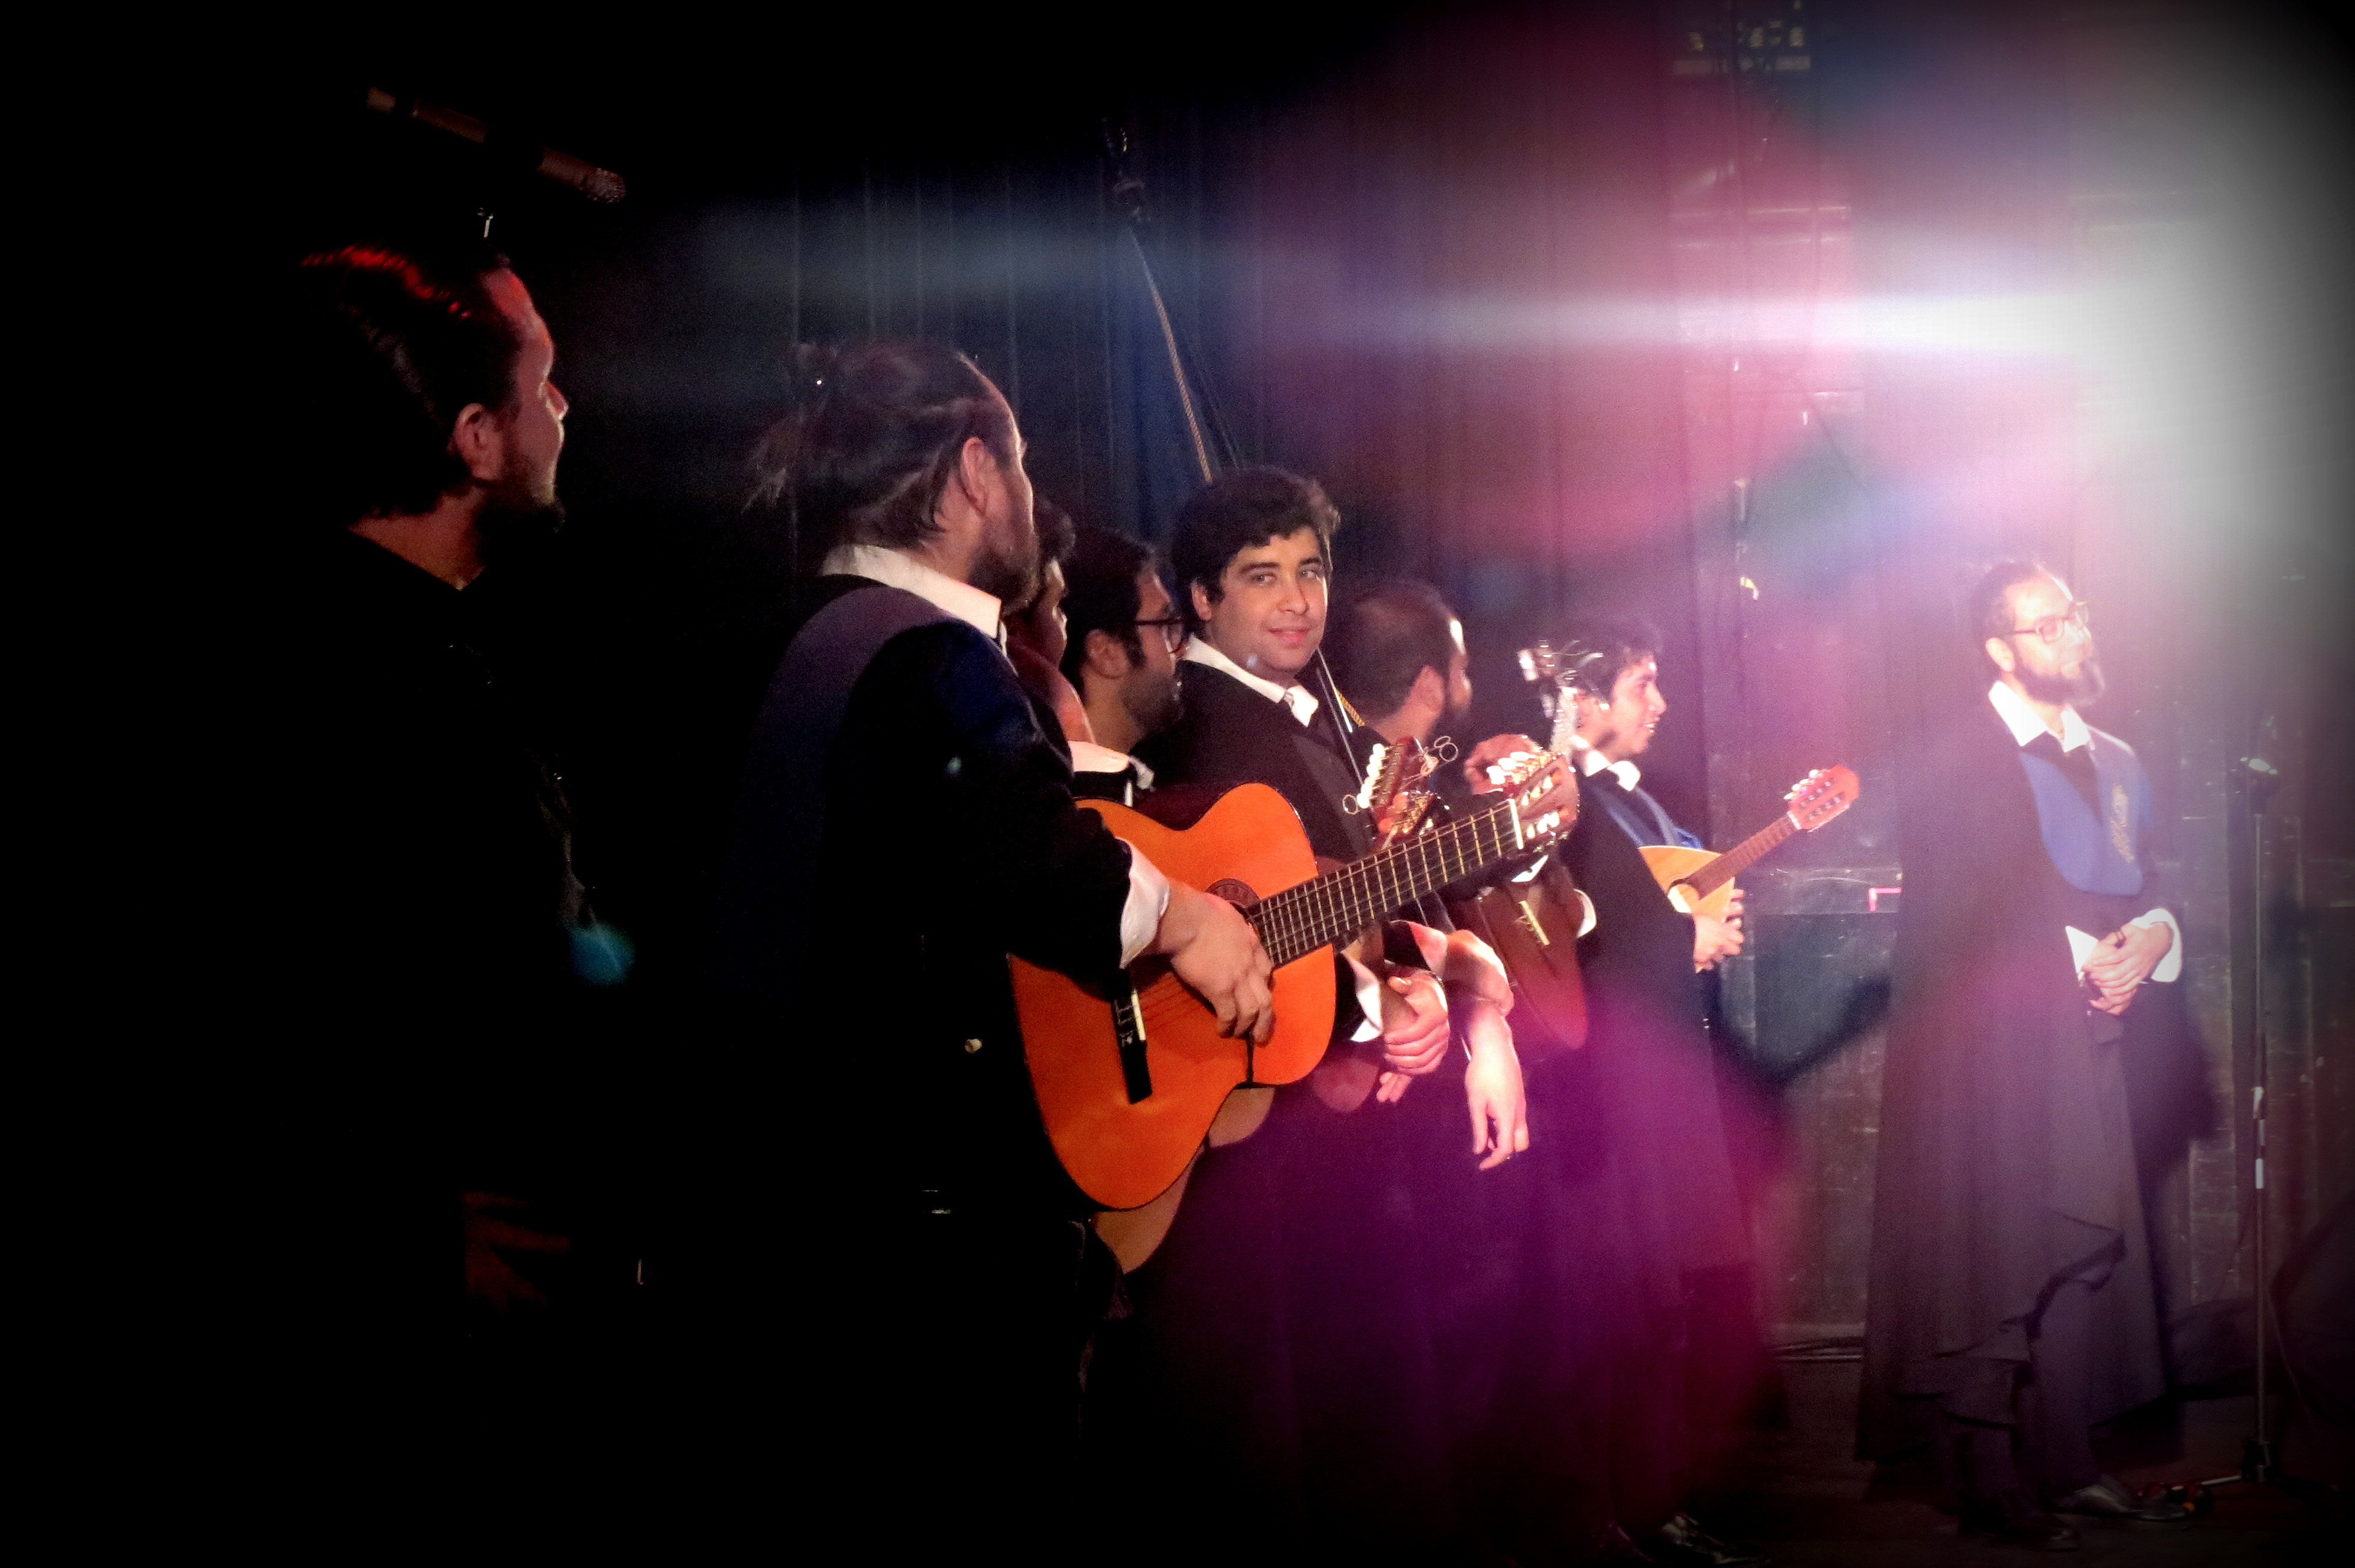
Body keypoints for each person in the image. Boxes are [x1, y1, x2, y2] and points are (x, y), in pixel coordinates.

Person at [704, 341, 1272, 1548]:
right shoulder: (926, 652)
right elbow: (1032, 852)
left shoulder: (783, 632)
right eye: (1018, 463)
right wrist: (1190, 920)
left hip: (781, 1222)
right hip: (927, 1258)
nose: (1027, 492)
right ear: (972, 473)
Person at [1103, 470, 1532, 1562]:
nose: (1298, 601)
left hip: (1334, 1141)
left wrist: (1442, 976)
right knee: (1306, 1462)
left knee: (1377, 1448)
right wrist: (1376, 1003)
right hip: (1259, 1148)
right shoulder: (1198, 731)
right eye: (1262, 577)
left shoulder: (1309, 716)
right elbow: (1221, 928)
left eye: (1310, 571)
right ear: (1201, 600)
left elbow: (1356, 901)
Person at [1859, 563, 2201, 1546]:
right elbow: (1956, 918)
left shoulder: (2117, 757)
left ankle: (2069, 1463)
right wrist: (2078, 956)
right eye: (2047, 625)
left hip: (2095, 1035)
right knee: (1998, 1251)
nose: (2072, 635)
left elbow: (2147, 883)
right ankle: (1991, 1478)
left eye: (2075, 616)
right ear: (2000, 651)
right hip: (1992, 1059)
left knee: (2082, 1248)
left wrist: (2153, 936)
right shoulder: (1958, 755)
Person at [1525, 617, 1768, 1567]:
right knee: (1621, 1303)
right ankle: (1614, 1512)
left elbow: (1672, 900)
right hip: (1608, 1091)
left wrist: (1711, 921)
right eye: (1640, 685)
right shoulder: (1562, 802)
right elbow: (1583, 937)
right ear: (1582, 699)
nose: (1659, 704)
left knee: (1665, 1302)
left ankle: (1660, 1499)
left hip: (1665, 1078)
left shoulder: (1638, 803)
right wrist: (1687, 937)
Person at [1056, 523, 1187, 803]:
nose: (1182, 650)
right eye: (1164, 625)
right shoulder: (1072, 806)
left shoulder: (1135, 788)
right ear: (1106, 653)